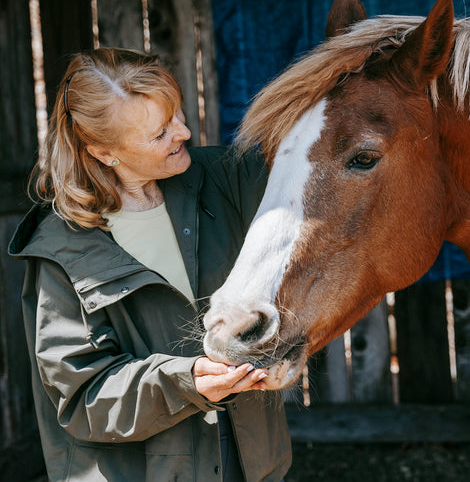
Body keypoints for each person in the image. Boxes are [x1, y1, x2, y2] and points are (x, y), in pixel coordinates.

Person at [9, 48, 291, 482]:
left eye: (177, 114)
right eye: (160, 133)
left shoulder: (227, 178)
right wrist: (189, 381)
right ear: (104, 152)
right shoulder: (61, 248)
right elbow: (83, 398)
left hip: (253, 465)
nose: (185, 132)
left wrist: (280, 352)